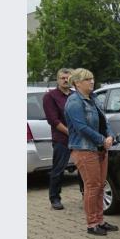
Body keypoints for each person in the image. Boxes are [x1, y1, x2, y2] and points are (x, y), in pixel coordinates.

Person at [64, 68, 119, 236]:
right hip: (85, 149)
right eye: (88, 79)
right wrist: (102, 139)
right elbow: (81, 127)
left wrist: (110, 135)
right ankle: (92, 224)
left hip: (100, 148)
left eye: (92, 78)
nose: (92, 82)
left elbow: (104, 121)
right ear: (77, 83)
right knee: (92, 186)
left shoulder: (94, 98)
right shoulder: (74, 102)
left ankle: (100, 221)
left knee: (100, 186)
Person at [42, 68, 74, 210]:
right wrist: (70, 133)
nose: (65, 80)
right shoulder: (50, 96)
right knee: (59, 169)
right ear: (57, 79)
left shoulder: (75, 95)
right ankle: (55, 198)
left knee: (83, 168)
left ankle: (85, 194)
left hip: (79, 138)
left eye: (68, 78)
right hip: (62, 138)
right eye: (62, 78)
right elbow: (53, 120)